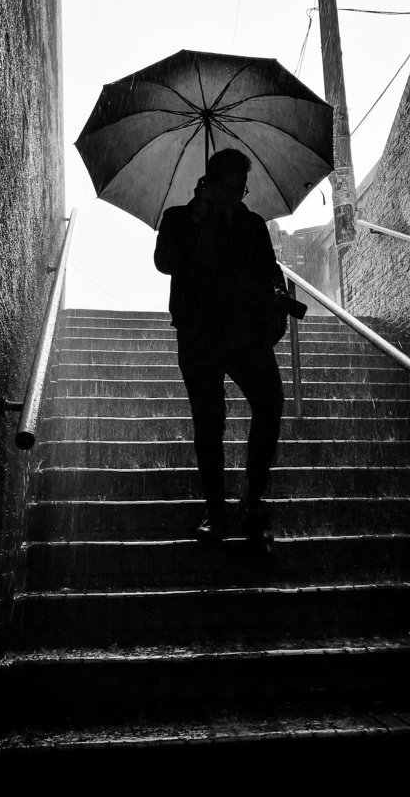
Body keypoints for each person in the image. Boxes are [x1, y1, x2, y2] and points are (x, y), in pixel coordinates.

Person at [154, 148, 286, 547]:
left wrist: (277, 294)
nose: (235, 195)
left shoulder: (252, 225)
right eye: (228, 187)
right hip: (199, 335)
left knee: (270, 402)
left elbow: (270, 270)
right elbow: (164, 262)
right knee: (208, 423)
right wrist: (198, 217)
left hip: (245, 334)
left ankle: (252, 501)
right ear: (210, 183)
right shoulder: (179, 218)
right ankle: (215, 511)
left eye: (240, 189)